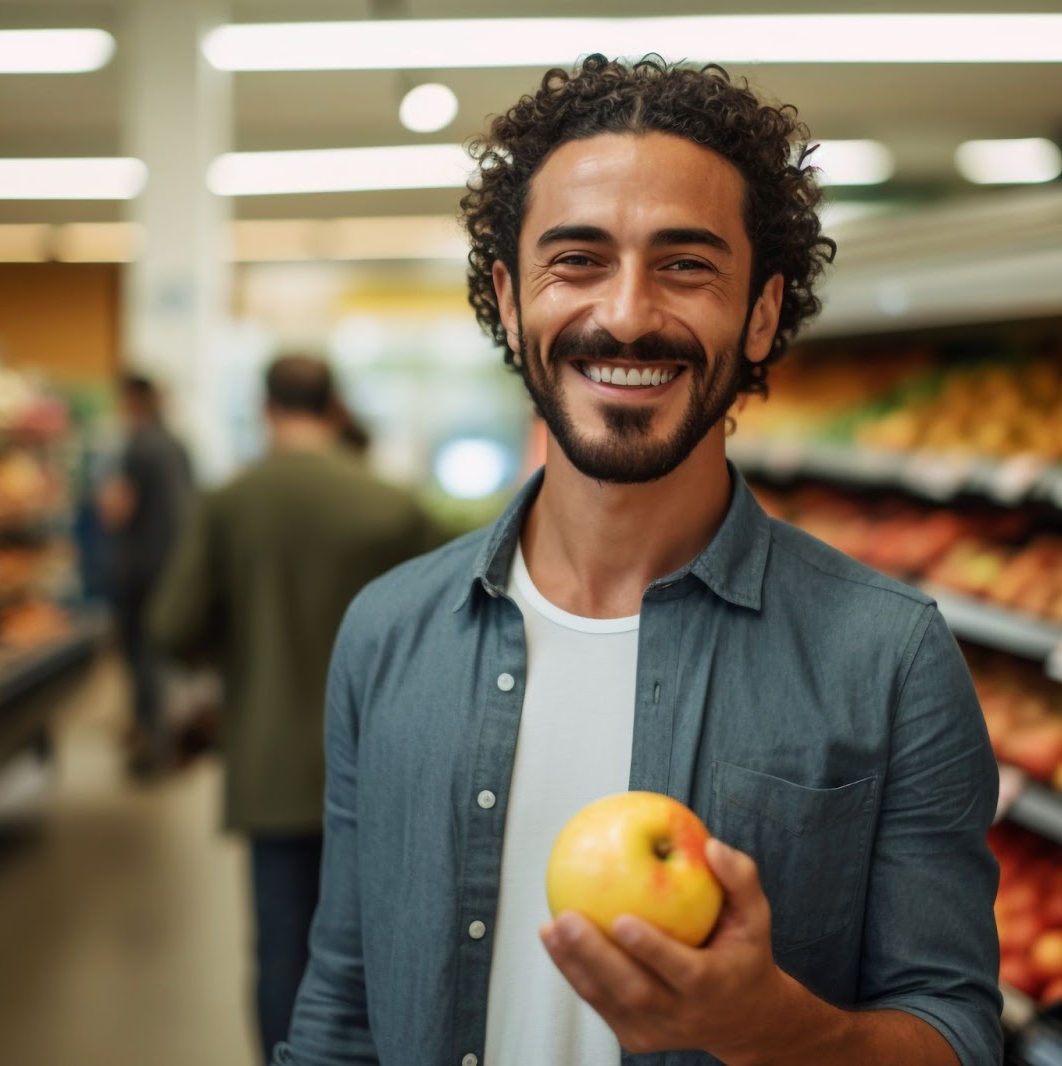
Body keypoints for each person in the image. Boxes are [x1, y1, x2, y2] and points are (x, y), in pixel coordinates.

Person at [278, 55, 1001, 1066]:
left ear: (759, 311)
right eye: (575, 259)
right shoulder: (390, 632)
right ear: (506, 293)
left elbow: (956, 1028)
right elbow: (342, 1007)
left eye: (685, 264)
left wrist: (776, 1032)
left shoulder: (887, 658)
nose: (624, 314)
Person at [147, 355, 444, 1065]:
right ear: (335, 407)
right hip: (386, 768)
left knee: (285, 952)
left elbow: (172, 627)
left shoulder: (231, 502)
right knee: (377, 948)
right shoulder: (391, 504)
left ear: (266, 407)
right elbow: (456, 614)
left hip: (272, 766)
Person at [98, 373, 192, 777]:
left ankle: (152, 744)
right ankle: (155, 734)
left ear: (133, 402)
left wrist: (102, 500)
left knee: (140, 657)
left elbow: (119, 508)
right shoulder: (178, 445)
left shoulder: (138, 446)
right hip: (172, 565)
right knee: (159, 656)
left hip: (138, 567)